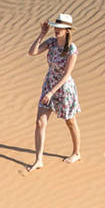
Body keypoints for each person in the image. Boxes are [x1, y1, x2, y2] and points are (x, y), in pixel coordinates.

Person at [25, 12, 81, 171]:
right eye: (56, 27)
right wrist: (41, 34)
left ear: (67, 30)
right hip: (49, 84)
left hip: (64, 88)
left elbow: (66, 75)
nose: (56, 30)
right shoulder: (51, 42)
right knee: (40, 122)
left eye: (60, 28)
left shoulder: (72, 49)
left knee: (70, 122)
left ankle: (76, 153)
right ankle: (38, 160)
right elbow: (32, 52)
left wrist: (51, 92)